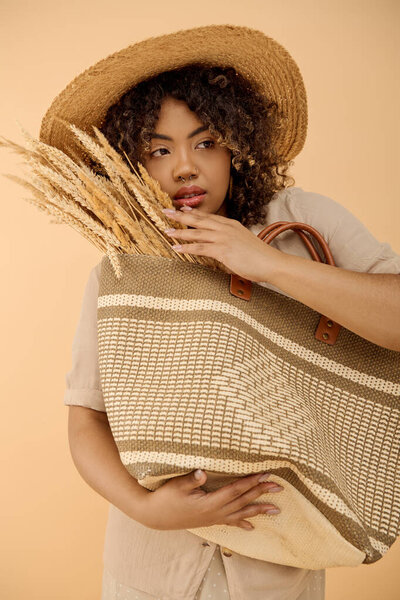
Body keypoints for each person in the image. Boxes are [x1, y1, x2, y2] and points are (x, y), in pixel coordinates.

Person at [48, 25, 400, 600]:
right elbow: (85, 418)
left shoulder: (301, 220)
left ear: (238, 142)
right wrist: (146, 508)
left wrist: (267, 263)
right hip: (149, 571)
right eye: (160, 150)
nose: (185, 167)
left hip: (279, 574)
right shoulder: (124, 265)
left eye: (206, 142)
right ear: (131, 163)